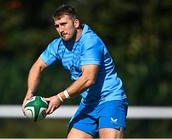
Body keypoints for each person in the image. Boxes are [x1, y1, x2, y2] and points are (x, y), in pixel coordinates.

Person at [22, 4, 128, 138]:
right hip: (89, 104)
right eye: (57, 26)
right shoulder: (58, 45)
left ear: (76, 23)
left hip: (110, 99)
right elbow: (38, 66)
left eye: (64, 24)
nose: (61, 29)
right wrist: (29, 93)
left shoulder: (90, 42)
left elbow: (89, 78)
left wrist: (60, 97)